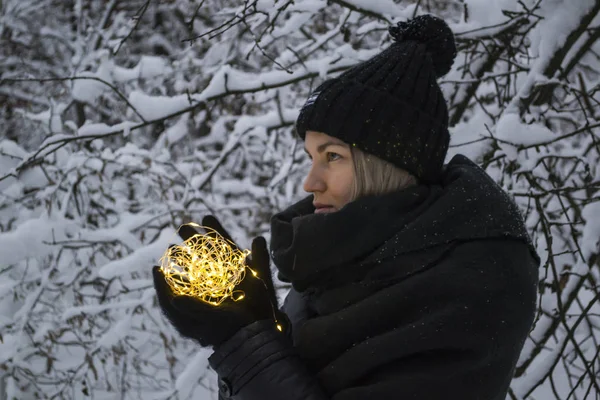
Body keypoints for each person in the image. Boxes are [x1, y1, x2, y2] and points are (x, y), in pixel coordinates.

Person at [152, 14, 540, 400]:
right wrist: (264, 326)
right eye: (310, 157)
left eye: (333, 156)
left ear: (389, 162)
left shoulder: (469, 285)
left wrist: (246, 348)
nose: (310, 182)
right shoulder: (340, 260)